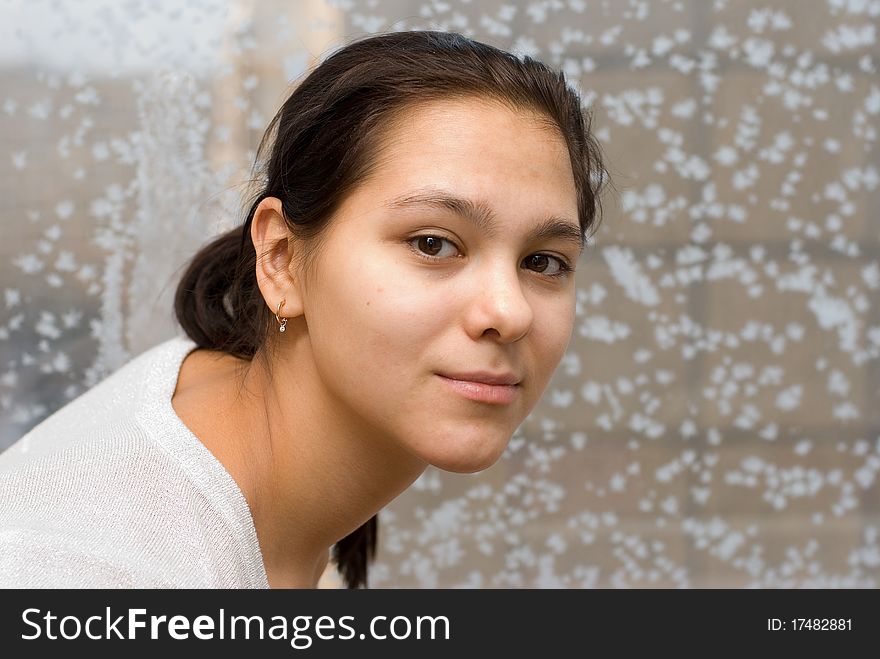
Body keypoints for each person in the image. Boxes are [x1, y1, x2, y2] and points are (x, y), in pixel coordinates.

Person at [0, 30, 605, 588]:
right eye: (433, 244)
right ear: (282, 259)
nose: (510, 311)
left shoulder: (218, 397)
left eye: (544, 262)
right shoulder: (99, 570)